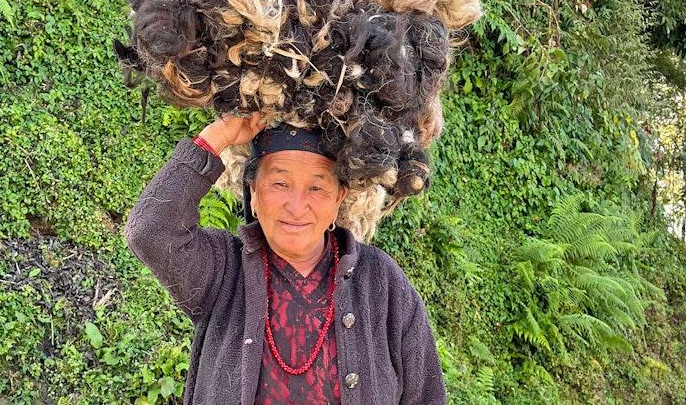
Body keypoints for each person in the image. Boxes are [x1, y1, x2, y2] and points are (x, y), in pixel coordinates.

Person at [124, 113, 446, 404]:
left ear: (338, 199)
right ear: (253, 190)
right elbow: (150, 232)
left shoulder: (383, 285)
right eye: (280, 182)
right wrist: (219, 135)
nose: (296, 205)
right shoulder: (222, 271)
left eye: (317, 188)